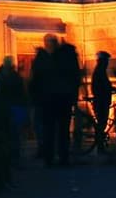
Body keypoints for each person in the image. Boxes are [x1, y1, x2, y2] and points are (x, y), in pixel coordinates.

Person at [47, 34, 82, 164]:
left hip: (53, 97)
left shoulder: (54, 57)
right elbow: (75, 78)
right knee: (63, 128)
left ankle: (51, 157)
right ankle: (63, 156)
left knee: (52, 128)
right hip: (66, 97)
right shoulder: (70, 58)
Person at [91, 50, 115, 146]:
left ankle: (100, 143)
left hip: (102, 100)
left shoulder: (100, 70)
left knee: (102, 122)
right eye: (106, 61)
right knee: (101, 122)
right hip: (101, 100)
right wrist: (112, 88)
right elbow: (103, 85)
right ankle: (100, 145)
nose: (107, 63)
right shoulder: (100, 71)